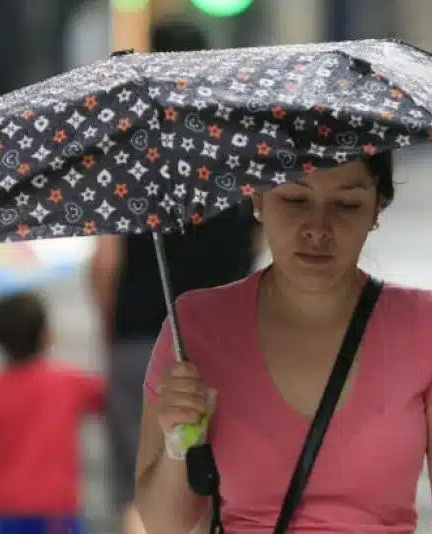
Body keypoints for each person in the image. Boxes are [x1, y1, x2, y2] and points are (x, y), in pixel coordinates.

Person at [133, 154, 432, 533]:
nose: (318, 228)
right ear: (257, 197)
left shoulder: (431, 328)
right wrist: (179, 440)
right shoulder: (195, 328)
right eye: (295, 199)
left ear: (377, 208)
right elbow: (164, 525)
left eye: (346, 205)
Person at [89, 18, 262, 534]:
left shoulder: (130, 152)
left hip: (140, 332)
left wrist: (110, 338)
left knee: (141, 488)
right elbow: (259, 244)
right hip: (224, 339)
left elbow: (106, 265)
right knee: (222, 484)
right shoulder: (237, 149)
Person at [0, 291, 105, 534]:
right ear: (46, 335)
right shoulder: (68, 381)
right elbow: (111, 403)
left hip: (5, 506)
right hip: (56, 508)